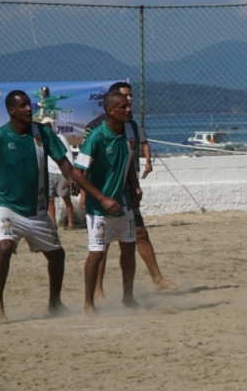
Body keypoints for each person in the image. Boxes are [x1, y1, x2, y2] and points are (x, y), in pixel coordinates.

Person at [0, 90, 82, 324]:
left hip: (36, 211)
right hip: (5, 207)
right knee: (4, 248)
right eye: (23, 105)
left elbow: (64, 161)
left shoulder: (43, 133)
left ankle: (55, 303)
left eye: (30, 104)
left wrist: (71, 177)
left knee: (57, 256)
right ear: (11, 110)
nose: (29, 109)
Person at [83, 82, 177, 297]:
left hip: (125, 195)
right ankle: (97, 291)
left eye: (131, 99)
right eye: (125, 99)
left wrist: (135, 186)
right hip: (102, 199)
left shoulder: (131, 126)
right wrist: (90, 195)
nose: (130, 104)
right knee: (100, 247)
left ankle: (152, 281)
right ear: (111, 105)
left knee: (138, 235)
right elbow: (82, 170)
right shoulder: (96, 130)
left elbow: (135, 155)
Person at [74, 90, 142, 316]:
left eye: (129, 105)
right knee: (97, 253)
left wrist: (135, 187)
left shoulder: (130, 131)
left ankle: (128, 297)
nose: (128, 109)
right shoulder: (96, 137)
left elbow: (128, 163)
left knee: (129, 248)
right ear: (110, 112)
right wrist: (101, 197)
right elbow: (77, 173)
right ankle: (88, 303)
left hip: (123, 203)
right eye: (123, 107)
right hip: (98, 208)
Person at [40, 116, 77, 230]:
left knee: (65, 197)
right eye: (45, 126)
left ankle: (71, 223)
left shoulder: (60, 137)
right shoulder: (41, 140)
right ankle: (53, 223)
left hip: (61, 172)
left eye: (49, 125)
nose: (47, 127)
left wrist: (69, 175)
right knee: (50, 199)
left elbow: (69, 155)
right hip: (49, 172)